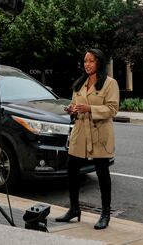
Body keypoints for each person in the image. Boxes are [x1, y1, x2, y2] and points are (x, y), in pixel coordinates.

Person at [56, 48, 119, 230]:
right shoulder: (80, 84)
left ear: (99, 62)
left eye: (91, 61)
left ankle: (105, 213)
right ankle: (74, 208)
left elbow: (113, 109)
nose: (87, 64)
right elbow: (76, 105)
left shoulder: (109, 83)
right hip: (80, 131)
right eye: (85, 61)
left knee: (102, 172)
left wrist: (90, 109)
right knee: (72, 168)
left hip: (100, 133)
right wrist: (72, 109)